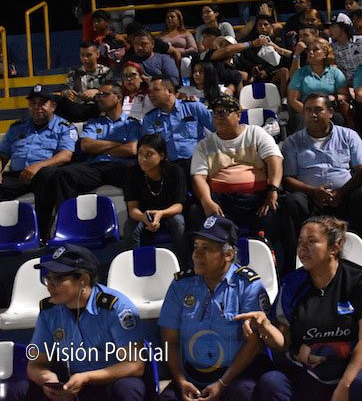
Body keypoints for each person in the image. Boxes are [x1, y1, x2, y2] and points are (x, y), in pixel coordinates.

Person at [237, 215, 362, 401]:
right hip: (311, 369)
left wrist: (345, 385)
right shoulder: (292, 284)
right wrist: (265, 327)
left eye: (312, 241)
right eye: (300, 242)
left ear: (334, 248)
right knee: (271, 382)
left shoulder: (361, 280)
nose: (303, 248)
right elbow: (283, 343)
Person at [7, 243, 148, 400]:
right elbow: (35, 364)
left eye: (59, 278)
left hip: (108, 380)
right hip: (69, 380)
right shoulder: (49, 311)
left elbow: (135, 365)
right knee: (18, 390)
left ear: (83, 280)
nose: (51, 285)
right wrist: (46, 378)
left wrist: (86, 377)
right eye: (49, 278)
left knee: (127, 388)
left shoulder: (116, 307)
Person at [158, 216, 272, 400]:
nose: (196, 254)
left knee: (242, 394)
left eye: (207, 248)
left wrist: (222, 383)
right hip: (191, 376)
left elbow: (254, 343)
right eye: (196, 246)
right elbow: (169, 340)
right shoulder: (180, 285)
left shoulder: (248, 285)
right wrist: (181, 381)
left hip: (235, 375)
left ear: (228, 255)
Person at [281, 93, 362, 273]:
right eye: (308, 111)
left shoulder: (348, 135)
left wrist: (342, 192)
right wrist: (313, 191)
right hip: (311, 198)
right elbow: (288, 179)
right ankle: (295, 267)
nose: (313, 115)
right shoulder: (292, 142)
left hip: (344, 195)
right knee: (292, 202)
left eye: (318, 110)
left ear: (330, 112)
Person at [190, 94, 283, 240]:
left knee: (274, 210)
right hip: (221, 200)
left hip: (256, 198)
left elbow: (275, 160)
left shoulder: (255, 133)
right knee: (196, 210)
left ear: (238, 115)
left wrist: (273, 190)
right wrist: (207, 202)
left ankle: (266, 249)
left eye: (223, 113)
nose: (218, 118)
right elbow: (198, 177)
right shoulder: (205, 145)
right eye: (215, 114)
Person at [51, 81, 141, 212]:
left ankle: (135, 216)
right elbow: (86, 145)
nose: (98, 98)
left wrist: (99, 148)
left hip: (120, 166)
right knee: (64, 174)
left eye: (104, 95)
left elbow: (131, 149)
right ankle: (66, 220)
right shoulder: (94, 123)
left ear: (118, 97)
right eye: (98, 95)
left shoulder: (132, 124)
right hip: (96, 166)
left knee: (135, 172)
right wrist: (119, 145)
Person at [0, 85, 77, 237]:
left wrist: (38, 166)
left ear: (53, 106)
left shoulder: (64, 127)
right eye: (33, 103)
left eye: (42, 103)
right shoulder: (17, 127)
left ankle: (42, 234)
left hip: (44, 176)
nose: (37, 107)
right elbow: (2, 154)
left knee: (47, 174)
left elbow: (66, 155)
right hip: (18, 175)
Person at [124, 134, 188, 267]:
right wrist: (143, 217)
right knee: (130, 227)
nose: (143, 159)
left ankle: (183, 267)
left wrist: (161, 214)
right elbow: (132, 208)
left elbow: (178, 206)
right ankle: (135, 268)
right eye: (140, 154)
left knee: (178, 222)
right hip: (143, 215)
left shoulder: (175, 171)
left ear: (162, 155)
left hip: (168, 213)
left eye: (149, 154)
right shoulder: (132, 173)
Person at [142, 76, 214, 188]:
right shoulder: (150, 118)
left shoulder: (193, 108)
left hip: (196, 162)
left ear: (170, 91)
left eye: (156, 90)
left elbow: (217, 129)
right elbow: (151, 146)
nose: (151, 95)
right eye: (149, 91)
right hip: (169, 166)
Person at [287, 38, 350, 132]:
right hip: (304, 111)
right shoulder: (301, 73)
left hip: (327, 111)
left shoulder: (335, 72)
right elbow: (293, 100)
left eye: (315, 49)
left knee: (338, 118)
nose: (310, 52)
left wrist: (334, 97)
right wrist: (309, 112)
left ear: (325, 54)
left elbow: (345, 95)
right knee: (302, 120)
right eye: (309, 50)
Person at [57, 40, 112, 122]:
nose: (85, 59)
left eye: (89, 55)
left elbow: (112, 92)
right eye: (82, 55)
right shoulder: (74, 72)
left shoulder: (106, 72)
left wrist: (98, 91)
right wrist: (67, 92)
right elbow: (65, 89)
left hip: (99, 108)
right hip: (79, 108)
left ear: (97, 54)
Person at [328, 13, 362, 85]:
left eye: (333, 26)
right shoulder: (332, 48)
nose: (330, 30)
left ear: (344, 28)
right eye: (329, 27)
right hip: (346, 86)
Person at [159, 9, 198, 79]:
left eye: (172, 17)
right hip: (166, 58)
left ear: (179, 20)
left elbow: (194, 48)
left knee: (185, 61)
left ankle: (185, 83)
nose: (169, 19)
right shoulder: (161, 36)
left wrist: (177, 50)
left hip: (183, 58)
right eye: (167, 18)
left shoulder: (185, 33)